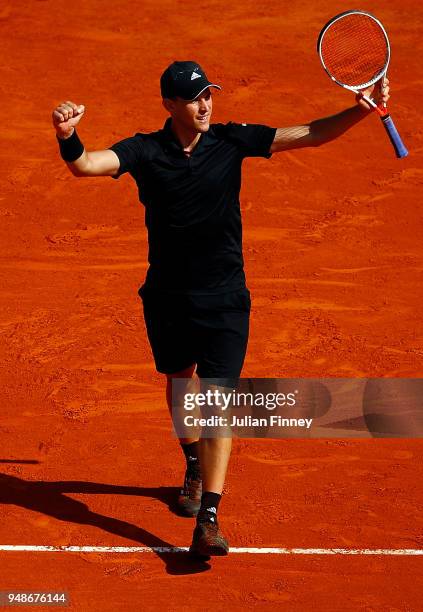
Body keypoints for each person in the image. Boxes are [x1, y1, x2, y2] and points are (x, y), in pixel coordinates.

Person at [52, 60, 389, 559]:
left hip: (226, 300)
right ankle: (192, 462)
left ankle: (208, 517)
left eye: (209, 94)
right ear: (169, 104)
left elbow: (309, 134)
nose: (205, 104)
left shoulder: (232, 141)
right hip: (168, 297)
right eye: (193, 98)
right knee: (178, 379)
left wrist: (359, 111)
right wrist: (68, 135)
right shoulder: (145, 151)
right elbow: (85, 165)